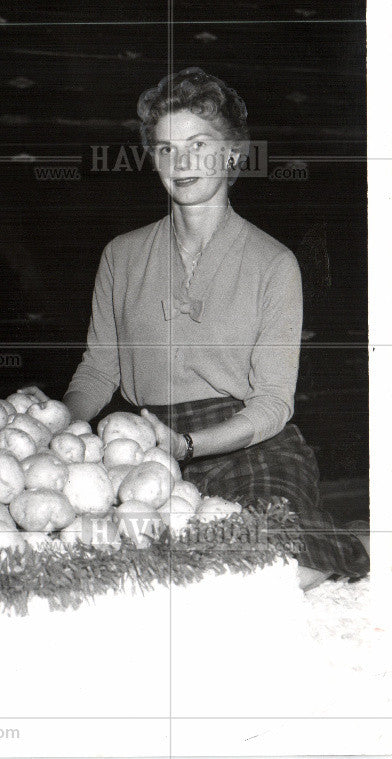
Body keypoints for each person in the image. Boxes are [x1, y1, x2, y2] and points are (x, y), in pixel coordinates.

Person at [60, 67, 369, 590]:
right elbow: (96, 373)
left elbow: (273, 403)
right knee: (121, 571)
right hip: (144, 444)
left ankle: (351, 541)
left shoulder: (275, 263)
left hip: (246, 441)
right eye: (165, 149)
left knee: (265, 567)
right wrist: (52, 428)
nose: (180, 163)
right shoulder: (121, 255)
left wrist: (188, 444)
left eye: (198, 144)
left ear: (232, 154)